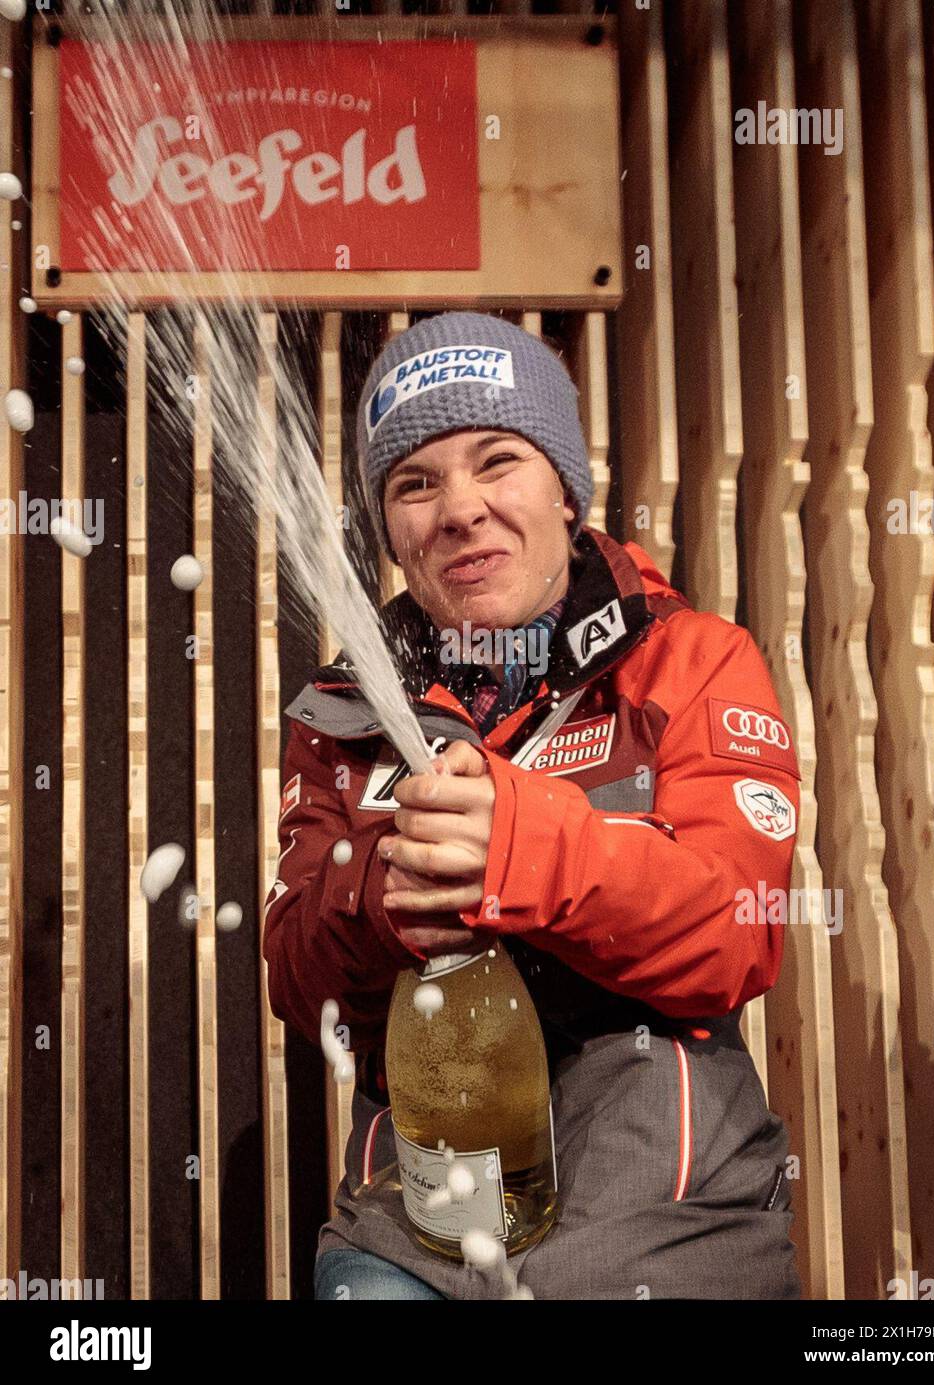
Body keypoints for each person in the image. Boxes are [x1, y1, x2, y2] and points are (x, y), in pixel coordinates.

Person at [262, 311, 803, 1301]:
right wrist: (379, 906)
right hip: (407, 1239)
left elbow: (738, 929)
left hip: (665, 1237)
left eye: (496, 459)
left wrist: (519, 850)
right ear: (389, 530)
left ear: (566, 491)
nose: (459, 508)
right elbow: (298, 980)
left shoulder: (690, 659)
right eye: (413, 483)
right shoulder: (339, 713)